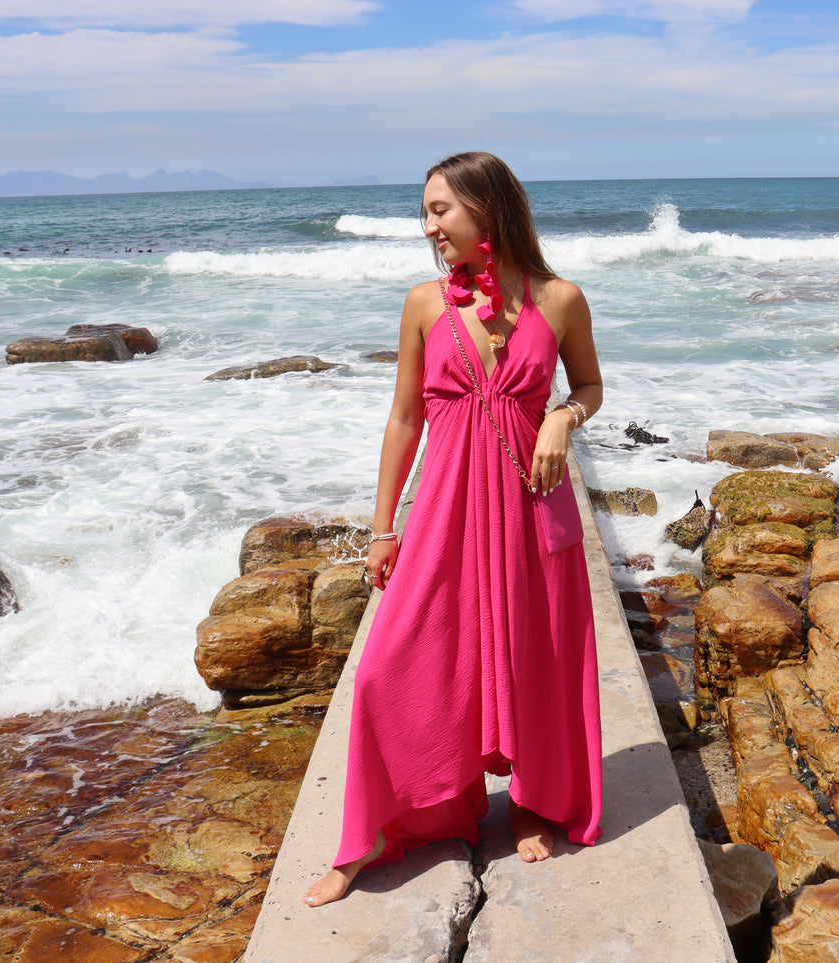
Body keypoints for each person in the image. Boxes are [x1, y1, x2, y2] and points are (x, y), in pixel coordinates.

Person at [304, 152, 604, 907]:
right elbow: (405, 418)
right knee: (391, 667)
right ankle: (377, 830)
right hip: (444, 510)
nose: (429, 226)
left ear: (487, 209)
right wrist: (381, 529)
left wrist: (563, 417)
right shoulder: (424, 304)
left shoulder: (560, 299)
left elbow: (591, 385)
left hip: (533, 507)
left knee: (534, 658)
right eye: (426, 212)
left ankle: (534, 803)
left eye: (440, 209)